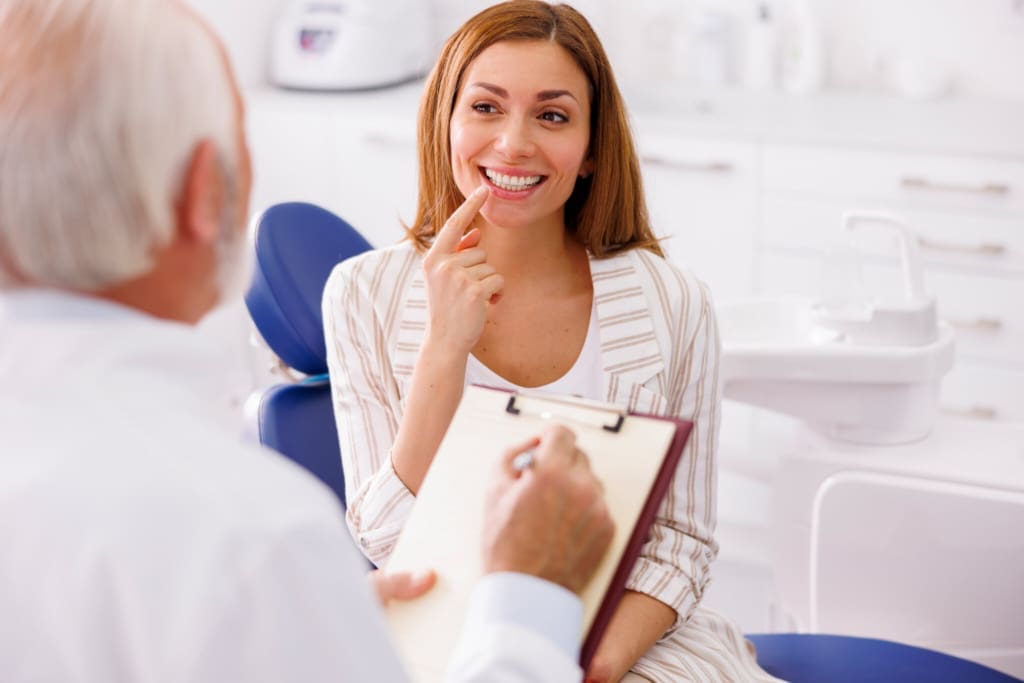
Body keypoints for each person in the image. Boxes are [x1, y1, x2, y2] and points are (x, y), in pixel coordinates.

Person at [0, 0, 615, 681]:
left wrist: (322, 622)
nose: (514, 141)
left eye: (551, 113)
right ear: (208, 193)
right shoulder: (253, 540)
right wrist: (530, 601)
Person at [323, 2, 781, 681]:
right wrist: (443, 348)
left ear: (593, 148)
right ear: (444, 121)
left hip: (631, 648)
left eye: (552, 114)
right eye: (485, 107)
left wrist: (589, 664)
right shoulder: (361, 293)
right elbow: (388, 536)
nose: (513, 143)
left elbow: (681, 543)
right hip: (442, 642)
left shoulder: (676, 303)